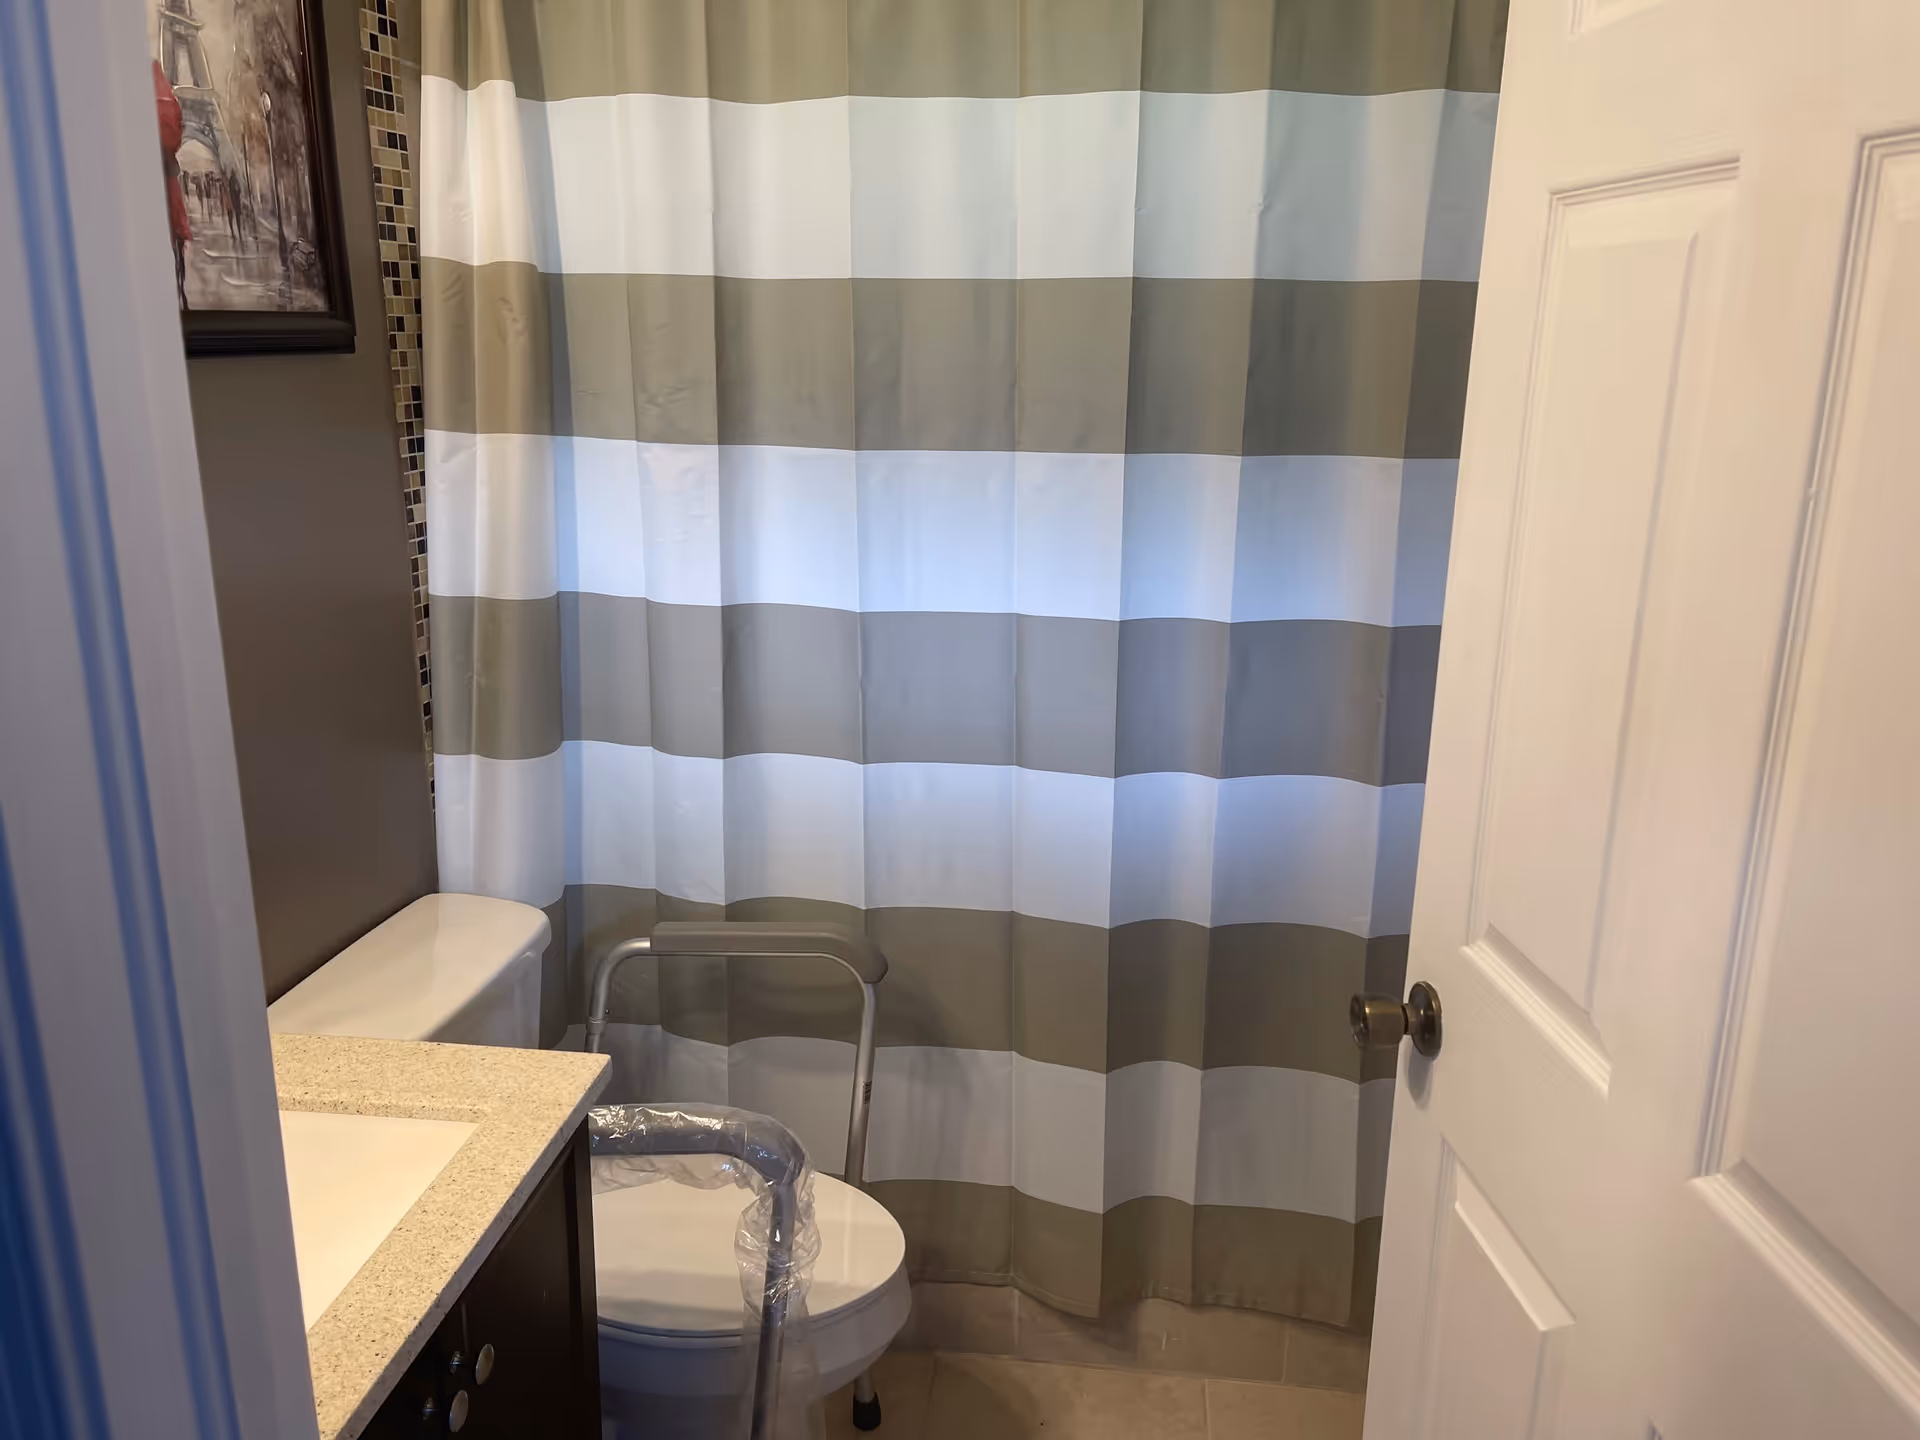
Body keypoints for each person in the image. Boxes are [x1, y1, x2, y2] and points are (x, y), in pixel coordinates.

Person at [152, 60, 191, 309]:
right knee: (176, 217)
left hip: (151, 169)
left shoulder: (146, 101)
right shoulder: (171, 103)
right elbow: (177, 137)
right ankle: (178, 282)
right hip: (167, 169)